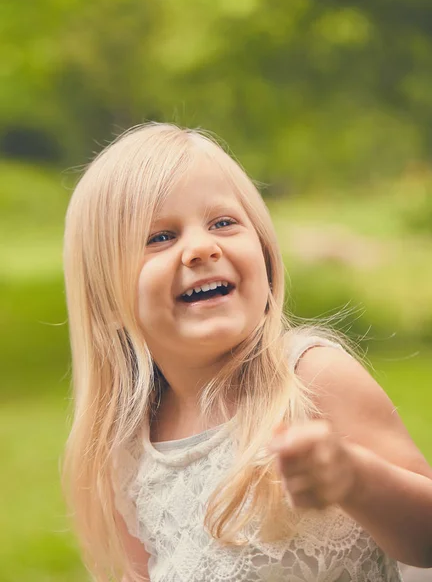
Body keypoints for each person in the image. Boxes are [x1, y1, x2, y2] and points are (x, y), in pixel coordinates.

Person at [62, 123, 432, 582]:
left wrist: (354, 479)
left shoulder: (311, 378)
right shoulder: (130, 451)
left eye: (222, 222)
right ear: (106, 302)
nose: (200, 247)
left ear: (264, 251)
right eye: (159, 237)